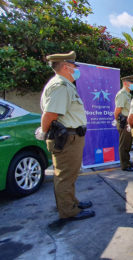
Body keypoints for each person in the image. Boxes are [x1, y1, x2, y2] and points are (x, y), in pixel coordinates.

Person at [38, 51, 95, 222]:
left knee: (69, 174)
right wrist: (43, 131)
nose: (76, 70)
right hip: (67, 138)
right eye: (73, 67)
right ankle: (69, 211)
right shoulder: (60, 86)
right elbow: (50, 114)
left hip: (72, 137)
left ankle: (71, 202)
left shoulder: (65, 85)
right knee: (64, 175)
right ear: (65, 67)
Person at [114, 75, 133, 172]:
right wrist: (120, 121)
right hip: (124, 122)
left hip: (128, 122)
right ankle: (124, 165)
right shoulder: (122, 94)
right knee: (124, 144)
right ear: (125, 83)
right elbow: (117, 111)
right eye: (131, 82)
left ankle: (127, 161)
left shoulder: (128, 94)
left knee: (128, 143)